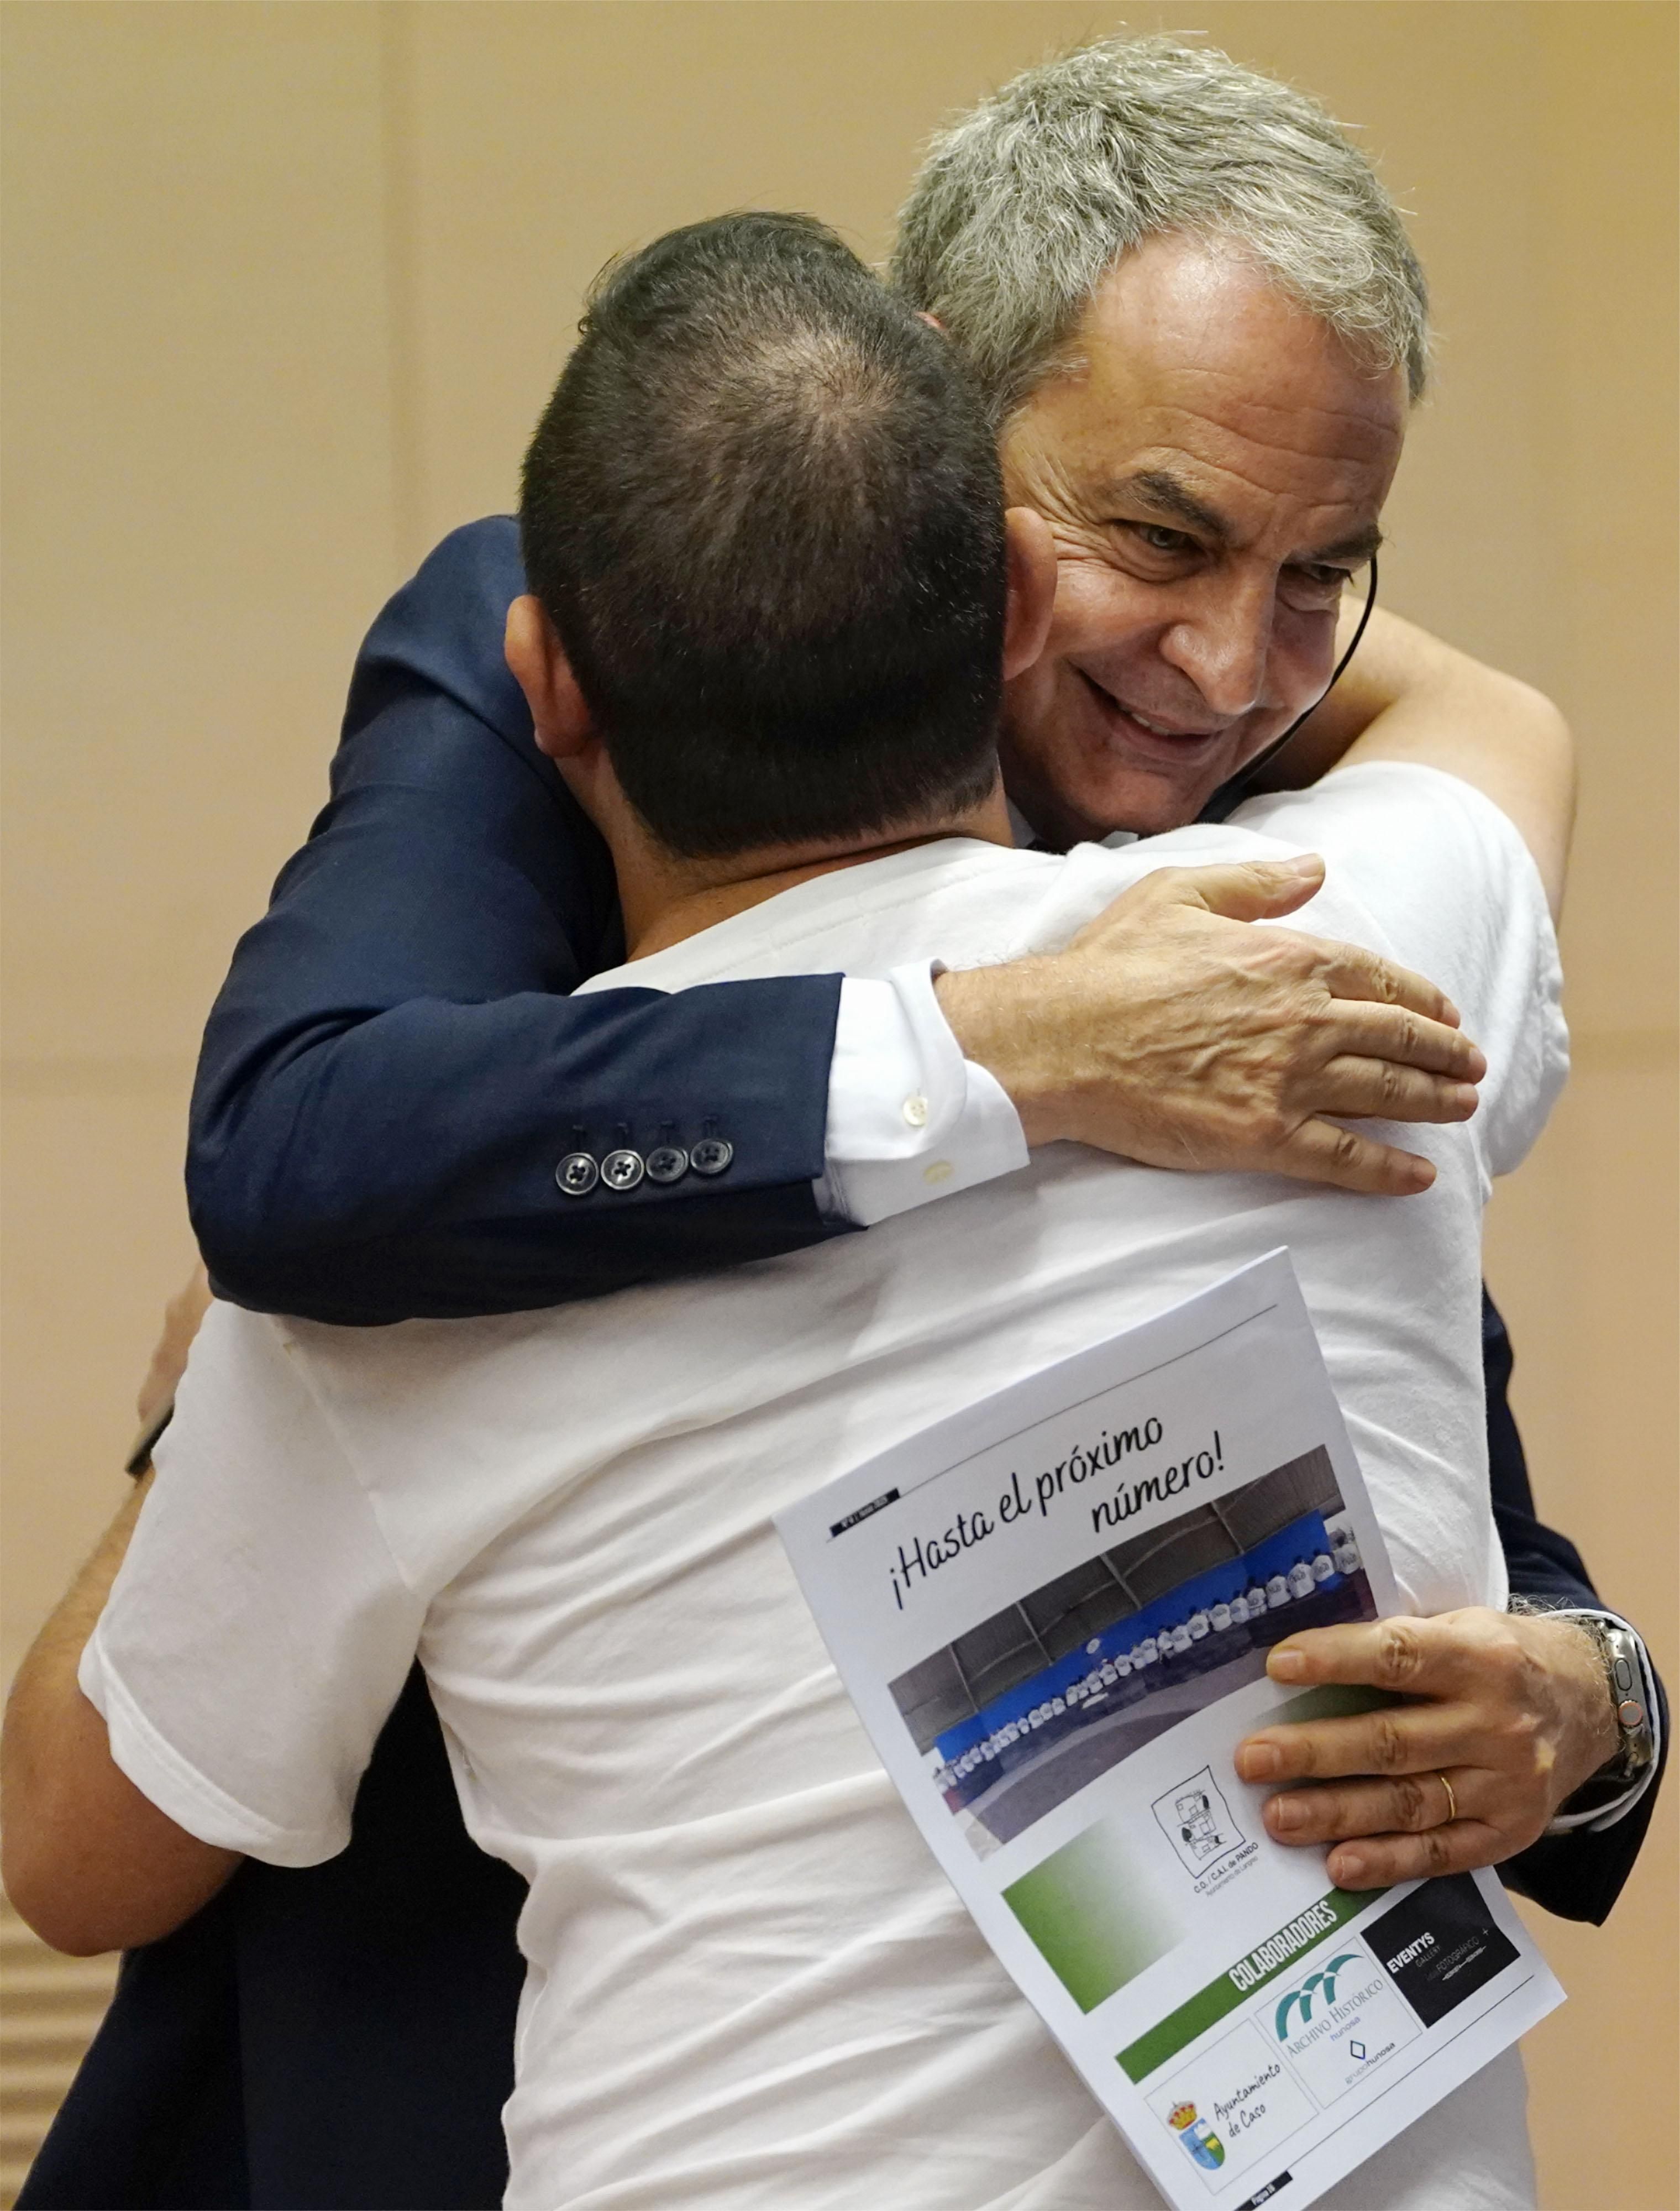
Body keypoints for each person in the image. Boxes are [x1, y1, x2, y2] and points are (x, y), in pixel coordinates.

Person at [19, 36, 1662, 2211]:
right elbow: (307, 1158)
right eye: (1155, 531)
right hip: (472, 2054)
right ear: (946, 470)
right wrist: (987, 1045)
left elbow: (1444, 1482)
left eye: (1322, 574)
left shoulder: (1290, 917)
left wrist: (1595, 1696)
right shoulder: (597, 623)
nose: (1226, 669)